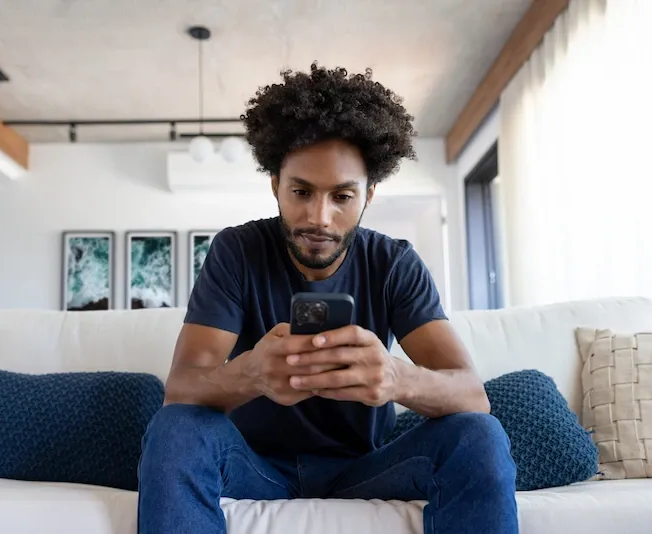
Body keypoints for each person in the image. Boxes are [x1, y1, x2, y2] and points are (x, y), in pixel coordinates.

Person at [137, 63, 518, 534]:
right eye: (301, 191)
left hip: (365, 468)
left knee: (479, 436)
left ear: (369, 196)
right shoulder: (236, 252)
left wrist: (396, 379)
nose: (319, 217)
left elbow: (471, 395)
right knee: (175, 430)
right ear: (275, 184)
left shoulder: (394, 264)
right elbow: (181, 388)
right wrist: (252, 372)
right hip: (254, 465)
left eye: (342, 196)